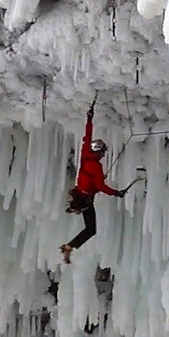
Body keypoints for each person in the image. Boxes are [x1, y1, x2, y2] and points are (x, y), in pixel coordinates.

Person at [61, 103, 125, 262]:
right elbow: (101, 187)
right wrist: (117, 193)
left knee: (90, 229)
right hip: (86, 200)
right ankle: (69, 246)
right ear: (99, 153)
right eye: (103, 152)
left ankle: (73, 212)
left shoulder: (85, 153)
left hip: (79, 194)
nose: (103, 155)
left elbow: (87, 135)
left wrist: (89, 119)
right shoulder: (96, 166)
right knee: (91, 230)